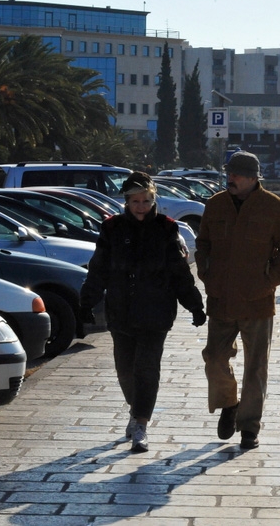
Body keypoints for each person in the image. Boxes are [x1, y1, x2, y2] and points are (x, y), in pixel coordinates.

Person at [79, 171, 206, 453]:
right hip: (120, 312)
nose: (141, 207)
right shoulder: (112, 228)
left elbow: (179, 272)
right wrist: (87, 303)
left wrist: (195, 305)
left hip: (156, 313)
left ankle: (140, 425)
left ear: (153, 200)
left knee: (147, 370)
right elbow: (98, 269)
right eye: (135, 201)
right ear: (126, 201)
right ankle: (135, 408)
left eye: (146, 201)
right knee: (125, 371)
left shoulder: (166, 228)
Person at [195, 150, 280, 449]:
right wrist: (206, 272)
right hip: (221, 298)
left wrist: (270, 280)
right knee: (214, 359)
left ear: (254, 178)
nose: (231, 178)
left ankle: (250, 427)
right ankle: (229, 404)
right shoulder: (215, 204)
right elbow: (203, 243)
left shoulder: (274, 207)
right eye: (229, 172)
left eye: (237, 174)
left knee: (256, 367)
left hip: (257, 301)